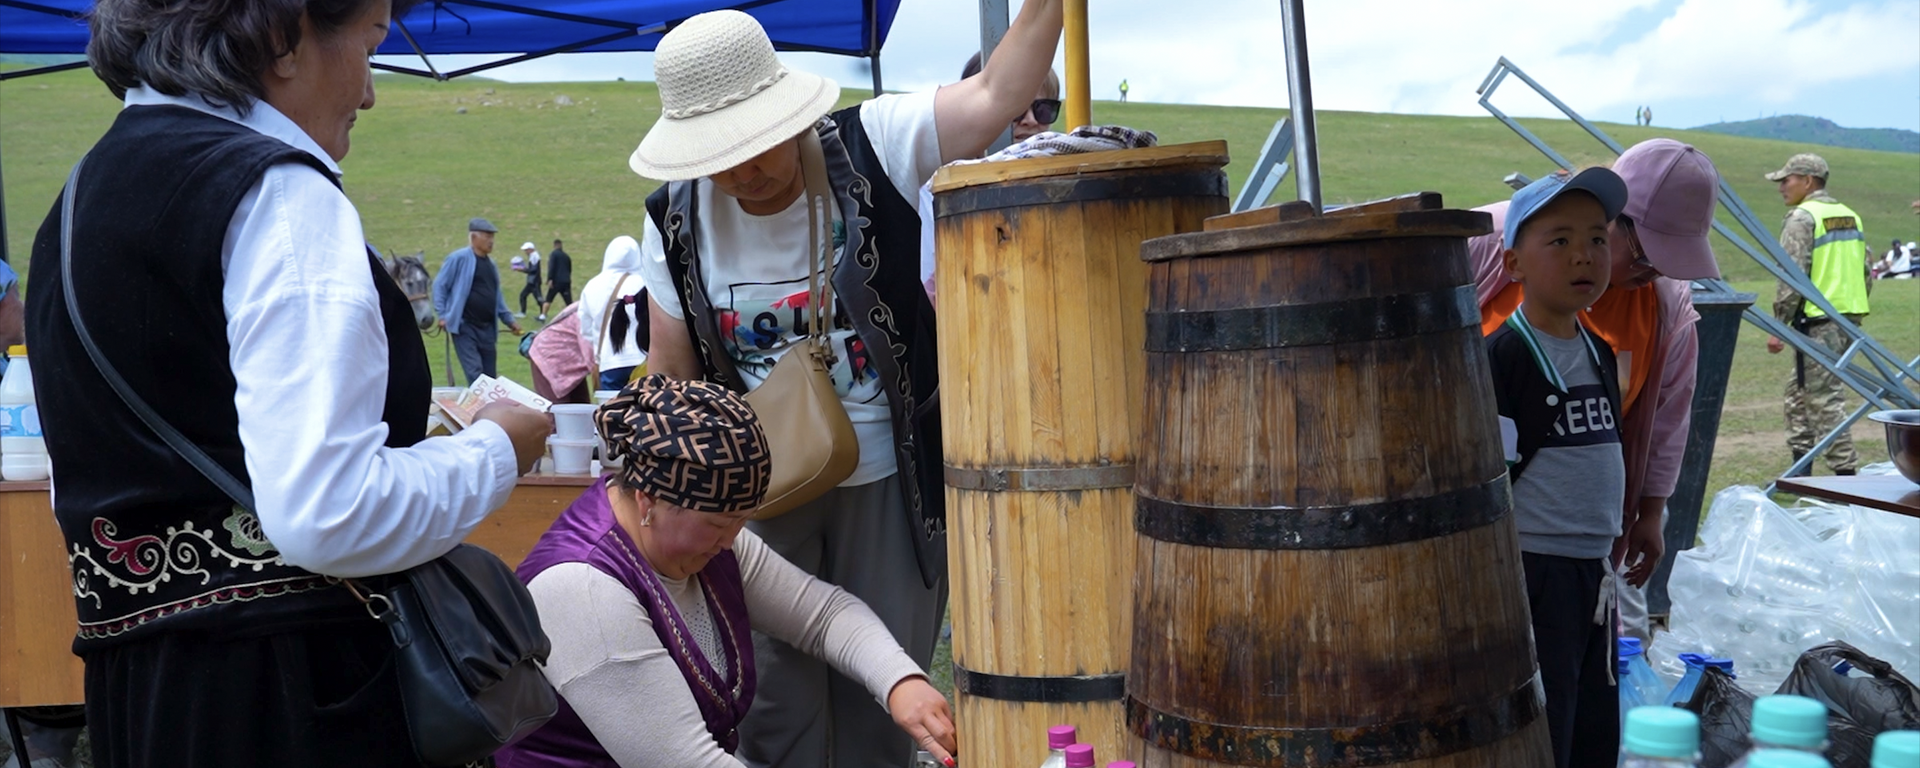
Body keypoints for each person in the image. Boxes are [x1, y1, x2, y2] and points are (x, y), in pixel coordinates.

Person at [22, 0, 554, 765]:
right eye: (371, 43)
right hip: (289, 691)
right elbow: (328, 513)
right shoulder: (277, 193)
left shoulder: (78, 200)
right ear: (284, 40)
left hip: (141, 687)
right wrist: (496, 450)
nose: (369, 91)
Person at [630, 5, 1063, 765]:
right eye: (718, 155)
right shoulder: (673, 217)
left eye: (757, 143)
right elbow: (672, 373)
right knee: (770, 705)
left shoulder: (879, 143)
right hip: (756, 497)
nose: (743, 171)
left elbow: (1000, 92)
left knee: (886, 700)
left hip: (892, 484)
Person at [496, 375, 956, 768]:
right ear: (648, 502)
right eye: (718, 524)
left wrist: (900, 681)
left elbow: (825, 615)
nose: (732, 540)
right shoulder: (582, 591)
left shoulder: (713, 543)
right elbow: (688, 761)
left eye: (742, 520)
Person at [1468, 139, 1725, 643]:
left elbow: (1668, 420)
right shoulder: (1493, 240)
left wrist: (1651, 512)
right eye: (1648, 253)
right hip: (1490, 525)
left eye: (1671, 259)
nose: (1657, 270)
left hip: (1584, 541)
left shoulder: (1665, 308)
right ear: (1614, 217)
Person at [1486, 169, 1631, 768]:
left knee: (1596, 729)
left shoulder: (1598, 349)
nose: (1584, 256)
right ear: (1514, 263)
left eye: (1598, 239)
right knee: (1550, 728)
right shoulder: (1502, 355)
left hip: (1593, 573)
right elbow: (1491, 475)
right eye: (1560, 240)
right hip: (1536, 572)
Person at [1764, 153, 1871, 476]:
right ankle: (1800, 472)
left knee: (1823, 400)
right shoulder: (1849, 215)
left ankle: (1847, 477)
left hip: (1818, 321)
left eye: (1787, 179)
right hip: (1846, 318)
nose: (1782, 186)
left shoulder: (1802, 218)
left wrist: (1778, 324)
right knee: (1798, 395)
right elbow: (1866, 271)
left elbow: (1792, 276)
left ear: (1808, 181)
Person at [434, 217, 525, 383]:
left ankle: (488, 408)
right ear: (474, 237)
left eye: (492, 237)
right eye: (487, 236)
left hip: (488, 329)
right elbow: (440, 285)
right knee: (475, 374)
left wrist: (510, 321)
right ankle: (479, 408)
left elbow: (497, 297)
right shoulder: (458, 259)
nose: (491, 241)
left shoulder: (491, 265)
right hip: (465, 327)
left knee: (489, 376)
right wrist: (442, 315)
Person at [578, 235, 650, 391]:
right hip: (642, 360)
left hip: (610, 361)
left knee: (612, 411)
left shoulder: (592, 285)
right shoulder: (645, 282)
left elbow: (585, 329)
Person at [543, 238, 575, 314]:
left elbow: (552, 267)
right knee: (568, 301)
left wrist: (550, 279)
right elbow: (569, 269)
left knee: (548, 299)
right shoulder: (566, 256)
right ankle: (573, 315)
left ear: (554, 245)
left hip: (556, 282)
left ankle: (543, 316)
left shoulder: (554, 254)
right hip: (566, 281)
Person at [517, 241, 546, 320]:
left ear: (530, 249)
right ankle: (524, 312)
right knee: (523, 295)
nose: (525, 252)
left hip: (534, 282)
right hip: (532, 281)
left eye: (526, 250)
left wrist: (523, 269)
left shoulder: (534, 256)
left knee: (539, 299)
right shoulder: (533, 256)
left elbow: (533, 270)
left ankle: (542, 314)